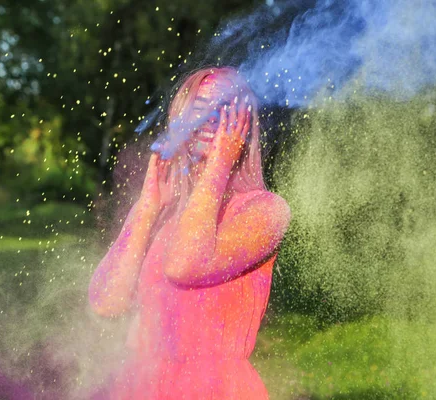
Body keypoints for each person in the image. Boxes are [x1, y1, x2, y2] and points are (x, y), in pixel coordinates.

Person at [88, 66, 291, 399]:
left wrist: (221, 162)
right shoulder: (163, 213)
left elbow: (184, 264)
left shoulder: (265, 211)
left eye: (223, 110)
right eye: (199, 109)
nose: (209, 121)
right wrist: (147, 206)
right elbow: (106, 302)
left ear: (244, 127)